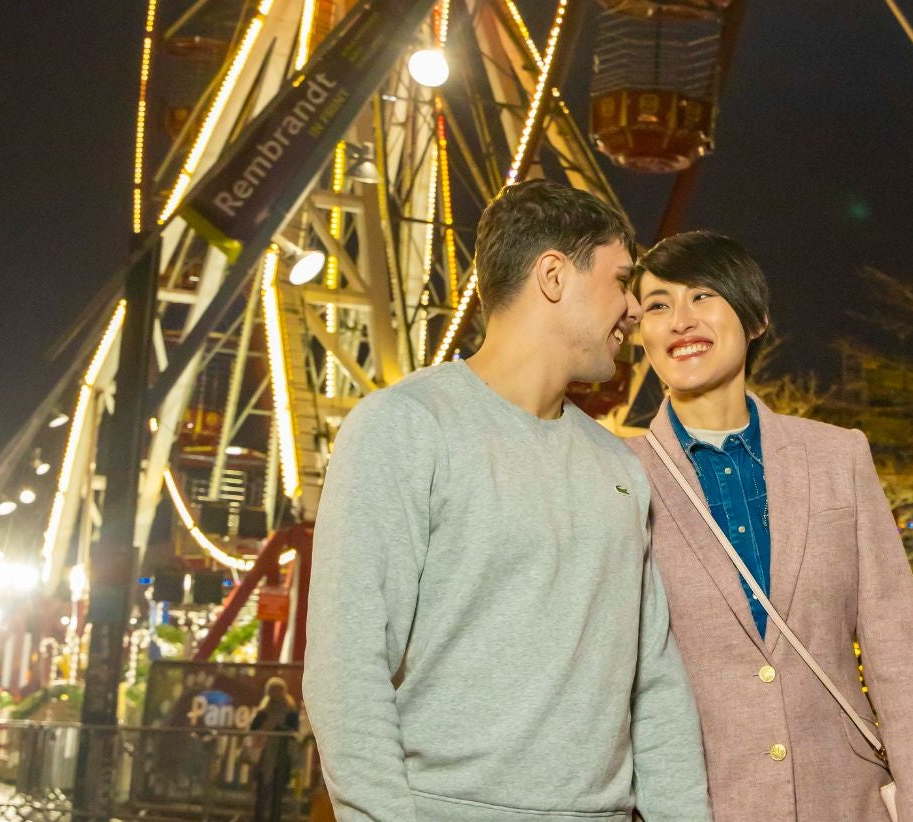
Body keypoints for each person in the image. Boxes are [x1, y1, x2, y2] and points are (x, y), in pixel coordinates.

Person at [304, 179, 710, 822]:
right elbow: (347, 670)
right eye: (620, 281)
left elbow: (654, 682)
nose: (635, 309)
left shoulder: (619, 468)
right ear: (554, 275)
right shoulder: (404, 427)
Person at [625, 231, 913, 821]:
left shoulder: (838, 456)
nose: (680, 320)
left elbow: (898, 655)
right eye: (657, 305)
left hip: (844, 800)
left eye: (703, 296)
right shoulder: (620, 476)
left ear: (754, 320)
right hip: (700, 805)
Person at [248, 677, 300, 822]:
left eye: (278, 689)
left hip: (282, 754)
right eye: (273, 689)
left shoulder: (290, 711)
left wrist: (276, 728)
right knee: (261, 790)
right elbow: (253, 727)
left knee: (278, 792)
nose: (275, 693)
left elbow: (294, 731)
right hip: (264, 754)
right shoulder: (264, 710)